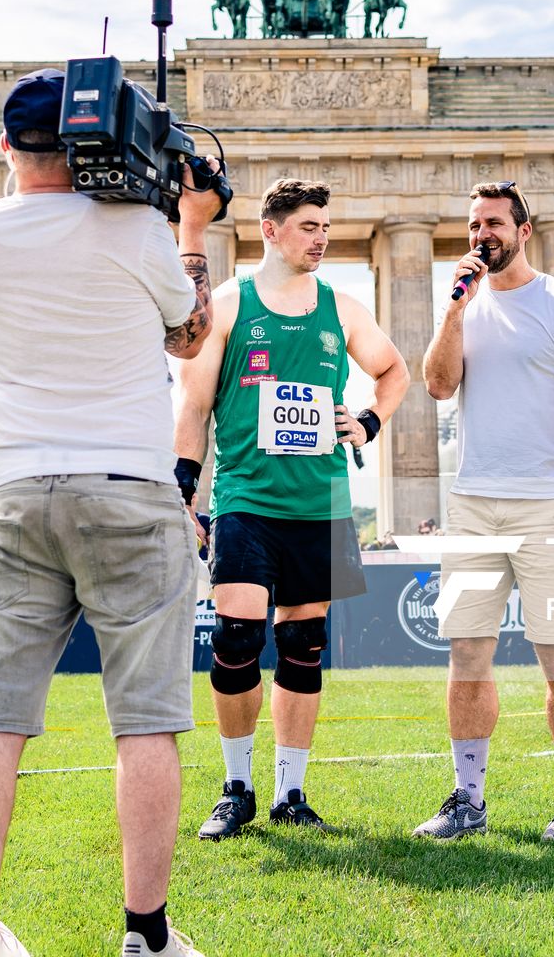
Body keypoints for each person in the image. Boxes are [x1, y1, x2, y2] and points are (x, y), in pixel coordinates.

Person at [0, 68, 219, 957]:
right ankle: (145, 933)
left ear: (7, 148)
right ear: (95, 145)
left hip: (19, 491)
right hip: (130, 491)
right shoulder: (137, 229)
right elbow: (191, 332)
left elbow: (28, 222)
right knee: (146, 721)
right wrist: (193, 227)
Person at [174, 178, 408, 840]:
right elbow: (193, 407)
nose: (321, 238)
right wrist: (183, 489)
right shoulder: (228, 304)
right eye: (309, 226)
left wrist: (368, 421)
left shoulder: (343, 308)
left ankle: (291, 792)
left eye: (326, 227)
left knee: (303, 647)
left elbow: (395, 373)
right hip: (246, 499)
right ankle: (235, 787)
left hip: (324, 503)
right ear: (270, 230)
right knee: (238, 639)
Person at [415, 180, 554, 843]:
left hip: (548, 507)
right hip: (472, 507)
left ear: (524, 230)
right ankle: (467, 799)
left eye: (495, 224)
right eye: (475, 225)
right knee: (466, 654)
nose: (482, 236)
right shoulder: (464, 307)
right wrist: (453, 311)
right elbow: (439, 385)